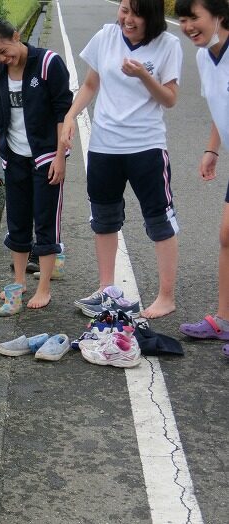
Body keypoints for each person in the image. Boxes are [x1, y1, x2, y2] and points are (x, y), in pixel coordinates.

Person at [61, 0, 182, 319]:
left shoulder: (168, 44)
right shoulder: (106, 37)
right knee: (103, 218)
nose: (127, 19)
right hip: (104, 146)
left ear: (152, 16)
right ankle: (106, 289)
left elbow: (169, 99)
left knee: (159, 218)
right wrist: (71, 116)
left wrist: (144, 75)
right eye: (125, 10)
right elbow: (90, 85)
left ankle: (166, 296)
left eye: (136, 13)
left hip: (146, 146)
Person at [0, 18, 73, 312]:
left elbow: (63, 112)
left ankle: (43, 287)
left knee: (45, 222)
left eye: (5, 51)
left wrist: (60, 156)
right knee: (17, 221)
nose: (3, 59)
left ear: (17, 36)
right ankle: (18, 284)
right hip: (14, 156)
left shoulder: (48, 64)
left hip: (46, 156)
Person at [175, 0, 229, 357]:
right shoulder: (203, 56)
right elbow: (220, 107)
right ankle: (224, 320)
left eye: (194, 17)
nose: (187, 25)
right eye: (182, 19)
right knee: (227, 237)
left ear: (220, 15)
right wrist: (212, 149)